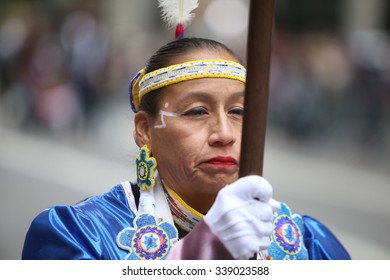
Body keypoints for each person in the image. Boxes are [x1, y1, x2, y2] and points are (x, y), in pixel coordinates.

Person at [22, 37, 351, 260]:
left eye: (239, 112)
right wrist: (203, 250)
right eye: (197, 111)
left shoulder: (307, 243)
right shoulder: (77, 236)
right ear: (144, 130)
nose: (224, 134)